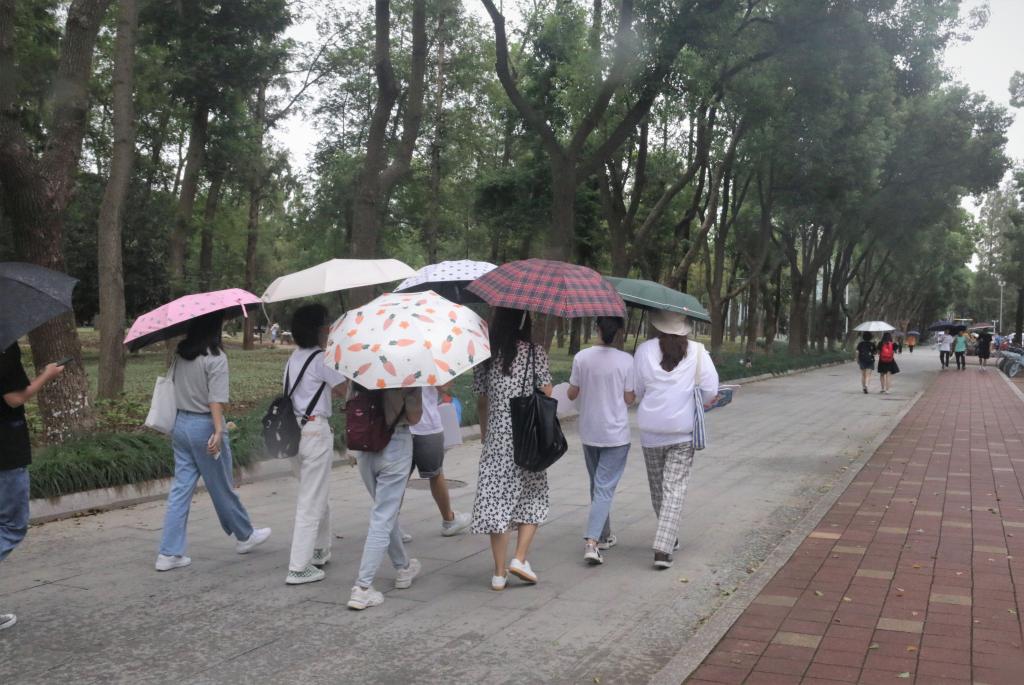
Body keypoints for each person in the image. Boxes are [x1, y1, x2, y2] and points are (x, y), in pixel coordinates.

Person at [156, 311, 271, 572]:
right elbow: (215, 400)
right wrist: (219, 431)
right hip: (205, 426)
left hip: (180, 425)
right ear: (215, 328)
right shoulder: (216, 358)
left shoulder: (181, 353)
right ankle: (245, 536)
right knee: (221, 486)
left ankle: (168, 553)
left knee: (180, 490)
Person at [471, 308, 553, 591]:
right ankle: (519, 558)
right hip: (527, 438)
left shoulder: (486, 355)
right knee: (533, 495)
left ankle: (498, 574)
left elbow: (482, 400)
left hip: (496, 439)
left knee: (497, 501)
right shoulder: (534, 352)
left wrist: (485, 433)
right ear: (524, 322)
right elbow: (547, 392)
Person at [633, 310, 718, 570]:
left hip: (650, 430)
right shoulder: (698, 352)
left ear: (659, 326)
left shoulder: (643, 350)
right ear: (685, 328)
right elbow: (711, 390)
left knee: (658, 489)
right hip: (682, 431)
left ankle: (667, 538)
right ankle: (663, 546)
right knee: (674, 490)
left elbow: (637, 390)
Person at [282, 305, 348, 585]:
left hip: (294, 434)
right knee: (311, 500)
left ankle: (320, 549)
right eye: (327, 323)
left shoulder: (293, 358)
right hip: (314, 433)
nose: (330, 327)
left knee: (317, 494)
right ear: (319, 329)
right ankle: (299, 567)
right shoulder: (322, 359)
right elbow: (345, 390)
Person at [1, 344, 65, 631]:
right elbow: (14, 398)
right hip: (6, 449)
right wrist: (46, 375)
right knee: (11, 526)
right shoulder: (4, 347)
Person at [348, 384, 423, 611]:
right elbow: (414, 417)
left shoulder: (360, 371)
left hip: (363, 441)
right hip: (395, 442)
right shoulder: (409, 374)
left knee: (385, 512)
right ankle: (362, 587)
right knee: (383, 516)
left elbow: (349, 404)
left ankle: (403, 567)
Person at [567, 316, 635, 565]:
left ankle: (604, 535)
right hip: (616, 434)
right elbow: (629, 399)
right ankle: (592, 542)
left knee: (597, 485)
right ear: (619, 332)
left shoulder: (582, 357)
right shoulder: (626, 360)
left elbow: (572, 393)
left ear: (597, 328)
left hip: (590, 430)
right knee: (604, 487)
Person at [408, 383, 472, 537]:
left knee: (397, 480)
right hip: (426, 426)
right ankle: (449, 520)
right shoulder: (430, 366)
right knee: (436, 474)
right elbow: (443, 387)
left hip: (400, 428)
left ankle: (389, 526)